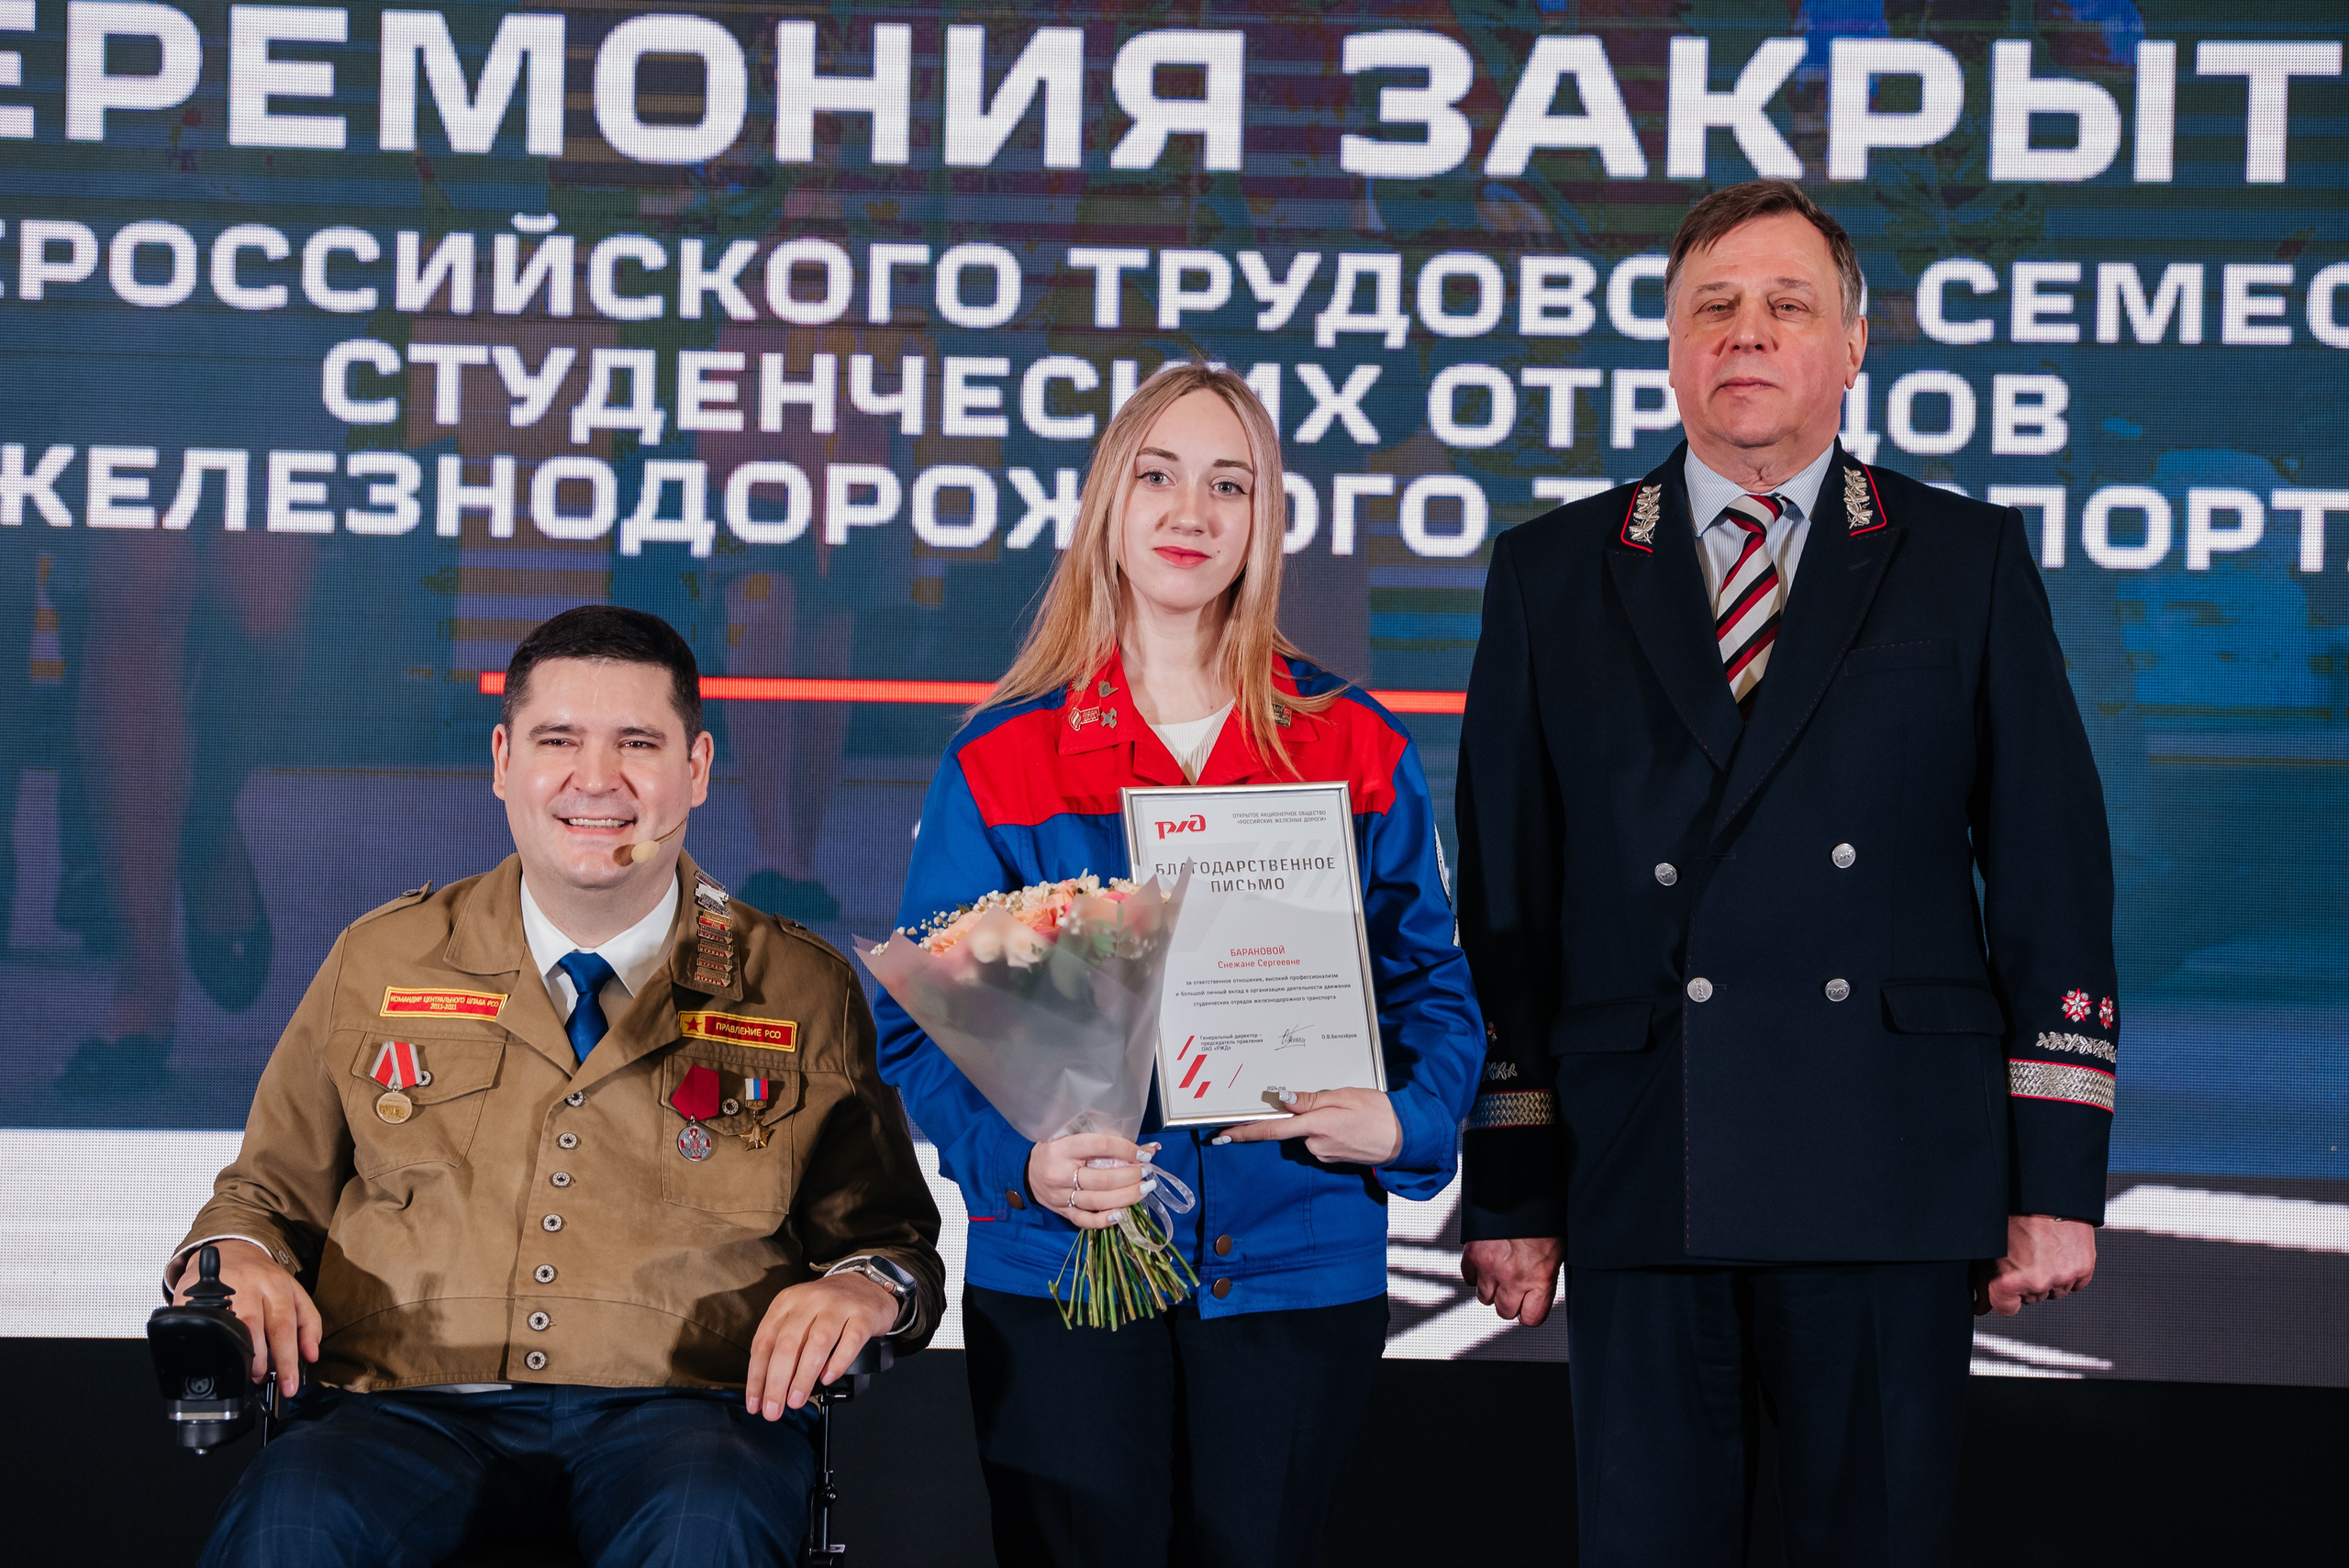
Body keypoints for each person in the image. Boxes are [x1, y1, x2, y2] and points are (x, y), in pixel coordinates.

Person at [1455, 179, 2116, 1565]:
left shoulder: (1967, 556)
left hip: (1888, 1159)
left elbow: (2052, 873)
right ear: (1673, 344)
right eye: (1714, 308)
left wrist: (2053, 1171)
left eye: (1786, 305)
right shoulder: (1551, 570)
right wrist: (1514, 1188)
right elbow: (1508, 903)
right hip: (1645, 1153)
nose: (1745, 334)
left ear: (1853, 344)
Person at [168, 605, 944, 1568]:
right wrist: (233, 1259)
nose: (596, 778)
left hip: (688, 1414)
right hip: (400, 1408)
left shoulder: (798, 983)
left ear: (695, 767)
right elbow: (261, 1197)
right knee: (295, 1518)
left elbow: (887, 1240)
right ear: (502, 760)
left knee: (708, 1525)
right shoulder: (382, 955)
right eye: (558, 739)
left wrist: (867, 1289)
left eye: (638, 742)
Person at [877, 363, 1482, 1567]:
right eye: (1157, 475)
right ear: (1109, 502)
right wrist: (1022, 1162)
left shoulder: (1350, 741)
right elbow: (922, 1029)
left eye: (1229, 484)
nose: (1191, 511)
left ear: (1268, 523)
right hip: (1062, 1261)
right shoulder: (1004, 758)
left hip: (1297, 1254)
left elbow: (1432, 985)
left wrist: (1406, 1119)